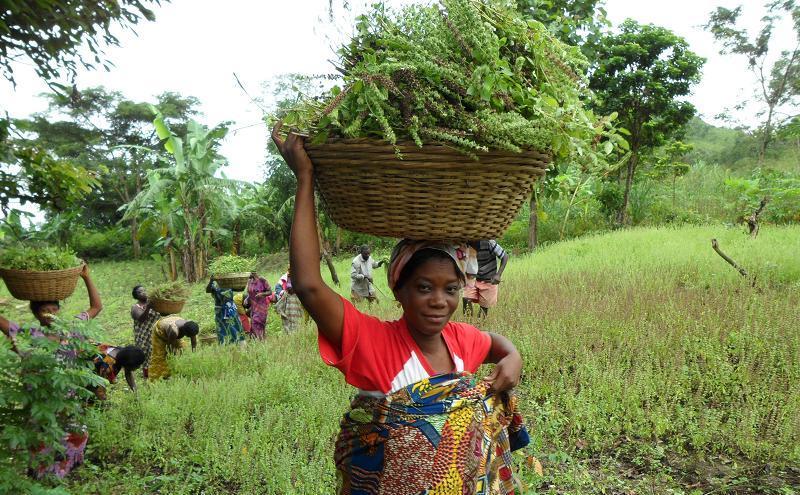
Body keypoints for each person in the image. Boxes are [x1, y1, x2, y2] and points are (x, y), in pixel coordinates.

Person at [272, 123, 527, 494]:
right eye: (424, 287)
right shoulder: (373, 342)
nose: (439, 300)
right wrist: (305, 177)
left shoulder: (461, 341)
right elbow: (308, 285)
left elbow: (496, 344)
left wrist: (513, 358)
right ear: (398, 289)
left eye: (450, 289)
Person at [0, 263, 102, 480]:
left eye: (54, 310)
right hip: (40, 400)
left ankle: (65, 468)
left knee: (76, 433)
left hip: (67, 399)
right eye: (45, 310)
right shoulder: (30, 334)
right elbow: (4, 325)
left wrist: (86, 277)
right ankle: (41, 473)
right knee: (41, 437)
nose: (51, 314)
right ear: (36, 314)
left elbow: (96, 307)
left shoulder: (73, 329)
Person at [462, 239, 509, 318]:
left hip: (488, 280)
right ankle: (468, 324)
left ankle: (480, 325)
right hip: (472, 279)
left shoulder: (490, 243)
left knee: (484, 308)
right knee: (466, 299)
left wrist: (498, 275)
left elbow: (505, 256)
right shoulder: (465, 244)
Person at [148, 316, 198, 380]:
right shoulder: (174, 331)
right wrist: (173, 360)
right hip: (160, 331)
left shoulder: (191, 326)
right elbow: (170, 348)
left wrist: (194, 355)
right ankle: (158, 377)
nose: (191, 337)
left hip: (173, 330)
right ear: (185, 332)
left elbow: (193, 342)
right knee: (160, 356)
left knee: (183, 349)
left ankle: (177, 372)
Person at [206, 277, 245, 345]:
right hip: (221, 312)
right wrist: (211, 281)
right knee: (222, 328)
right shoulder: (214, 286)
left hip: (231, 310)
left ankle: (239, 343)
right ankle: (225, 345)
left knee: (235, 326)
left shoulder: (229, 284)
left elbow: (241, 288)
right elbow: (208, 290)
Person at [131, 285, 159, 379]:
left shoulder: (154, 303)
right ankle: (148, 377)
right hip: (144, 337)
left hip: (157, 334)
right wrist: (148, 307)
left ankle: (160, 374)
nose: (143, 293)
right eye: (140, 292)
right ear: (136, 296)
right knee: (147, 358)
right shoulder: (135, 307)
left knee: (158, 354)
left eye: (144, 290)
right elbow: (141, 319)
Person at [246, 272, 274, 339]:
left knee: (257, 323)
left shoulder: (262, 280)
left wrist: (262, 294)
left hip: (261, 307)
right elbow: (250, 292)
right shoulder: (250, 281)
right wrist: (247, 298)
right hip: (253, 307)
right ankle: (257, 342)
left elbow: (270, 291)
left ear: (253, 273)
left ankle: (259, 341)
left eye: (248, 274)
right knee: (253, 324)